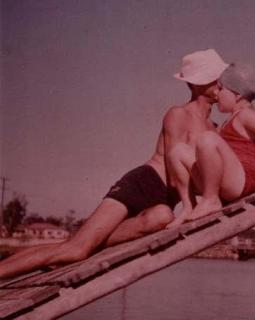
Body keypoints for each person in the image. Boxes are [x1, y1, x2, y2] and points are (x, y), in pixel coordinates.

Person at [0, 48, 228, 279]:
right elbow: (174, 160)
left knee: (162, 217)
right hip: (143, 183)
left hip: (165, 202)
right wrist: (190, 205)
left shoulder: (215, 130)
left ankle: (89, 241)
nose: (222, 83)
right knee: (76, 250)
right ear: (198, 84)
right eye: (215, 77)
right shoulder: (178, 114)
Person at [167, 63, 255, 226]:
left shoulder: (245, 115)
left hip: (243, 181)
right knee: (177, 151)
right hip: (231, 181)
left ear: (237, 96)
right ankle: (189, 206)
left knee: (208, 139)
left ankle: (211, 199)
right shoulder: (231, 119)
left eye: (220, 89)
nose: (216, 93)